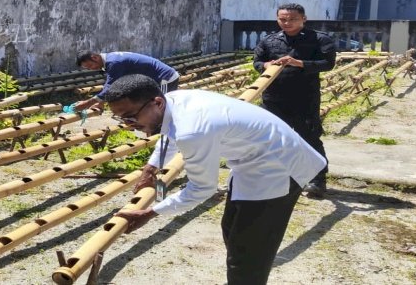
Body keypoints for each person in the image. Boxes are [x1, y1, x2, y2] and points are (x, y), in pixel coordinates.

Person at [105, 75, 325, 285]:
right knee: (231, 230)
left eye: (131, 116)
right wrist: (151, 168)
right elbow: (169, 132)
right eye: (121, 118)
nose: (128, 124)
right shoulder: (174, 101)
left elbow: (202, 188)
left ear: (157, 103)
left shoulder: (193, 130)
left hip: (279, 169)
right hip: (253, 162)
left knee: (249, 253)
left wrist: (152, 212)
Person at [253, 3, 336, 198]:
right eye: (283, 19)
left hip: (304, 97)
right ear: (277, 19)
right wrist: (266, 64)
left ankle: (317, 180)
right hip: (273, 98)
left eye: (292, 19)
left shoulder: (319, 39)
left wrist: (299, 63)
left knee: (308, 137)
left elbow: (328, 64)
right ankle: (270, 176)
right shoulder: (269, 40)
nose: (287, 23)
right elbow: (257, 61)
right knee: (270, 138)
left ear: (303, 19)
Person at [72, 50, 179, 112]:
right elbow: (109, 84)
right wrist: (100, 102)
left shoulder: (114, 63)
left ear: (94, 57)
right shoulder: (110, 60)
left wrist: (86, 103)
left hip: (165, 78)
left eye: (90, 66)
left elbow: (110, 87)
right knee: (151, 106)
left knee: (162, 108)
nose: (92, 69)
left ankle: (167, 134)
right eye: (88, 68)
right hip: (152, 80)